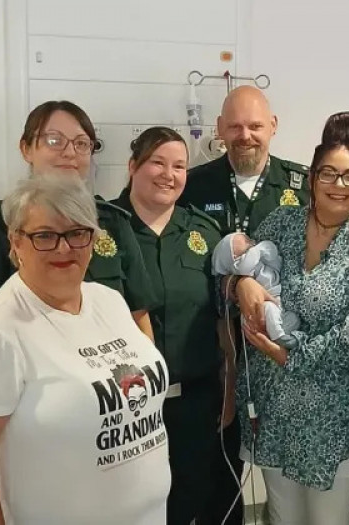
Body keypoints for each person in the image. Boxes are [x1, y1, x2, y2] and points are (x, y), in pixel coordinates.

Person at [0, 176, 171, 525]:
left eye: (77, 233)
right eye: (45, 236)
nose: (64, 249)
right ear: (16, 242)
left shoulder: (107, 301)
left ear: (93, 239)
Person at [229, 111, 349, 524]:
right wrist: (240, 285)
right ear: (311, 179)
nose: (338, 185)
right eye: (328, 173)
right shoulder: (282, 223)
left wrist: (291, 356)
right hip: (274, 410)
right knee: (281, 517)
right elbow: (238, 265)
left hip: (334, 415)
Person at [178, 85, 311, 524]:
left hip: (281, 355)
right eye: (234, 126)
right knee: (219, 480)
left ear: (273, 127)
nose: (245, 135)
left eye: (255, 125)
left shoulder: (305, 185)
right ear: (219, 129)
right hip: (216, 355)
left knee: (289, 480)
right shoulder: (191, 185)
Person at [0, 100, 157, 341]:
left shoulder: (111, 222)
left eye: (81, 144)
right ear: (26, 149)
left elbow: (138, 317)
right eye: (54, 140)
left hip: (110, 370)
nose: (69, 153)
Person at [109, 126, 226, 525]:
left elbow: (220, 317)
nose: (168, 174)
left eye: (179, 166)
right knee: (131, 505)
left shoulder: (205, 233)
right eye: (157, 162)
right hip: (124, 405)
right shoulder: (102, 227)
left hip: (194, 401)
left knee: (188, 499)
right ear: (132, 167)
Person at [212, 231, 300, 348]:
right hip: (262, 305)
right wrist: (259, 249)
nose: (252, 242)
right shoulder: (240, 267)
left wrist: (264, 251)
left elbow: (274, 256)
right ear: (233, 257)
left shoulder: (259, 262)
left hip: (275, 296)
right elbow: (246, 264)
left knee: (293, 319)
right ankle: (280, 337)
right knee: (269, 310)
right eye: (245, 241)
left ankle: (279, 331)